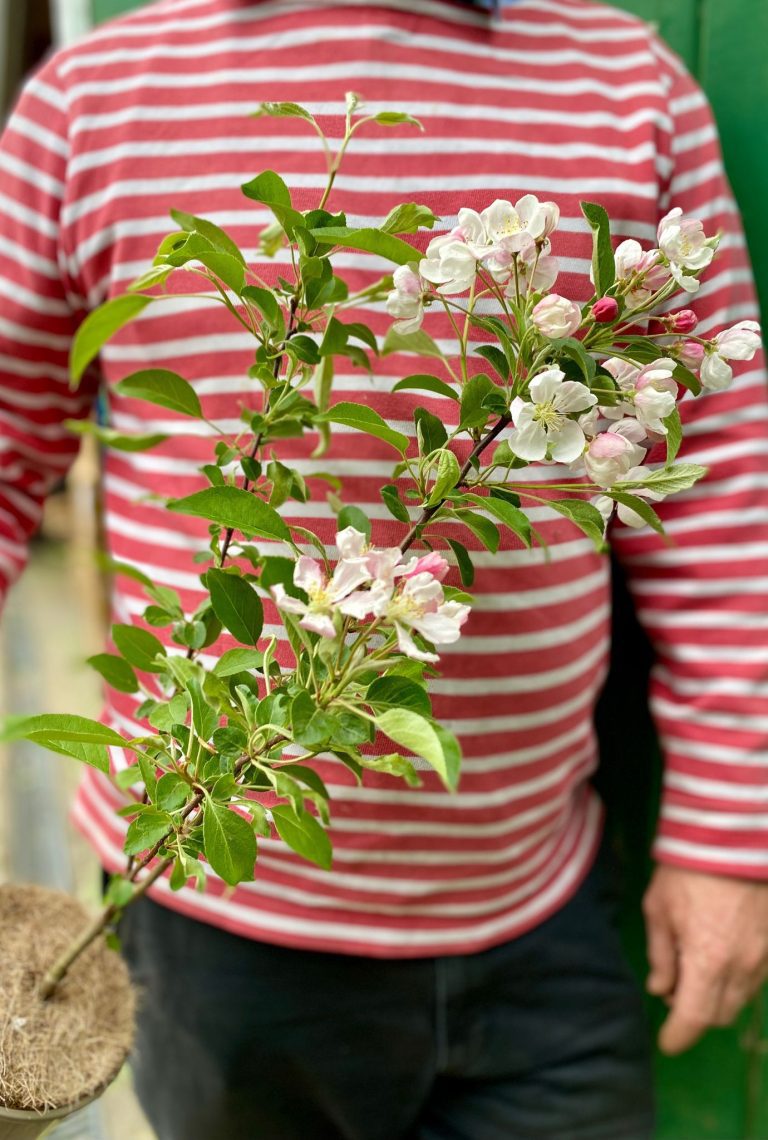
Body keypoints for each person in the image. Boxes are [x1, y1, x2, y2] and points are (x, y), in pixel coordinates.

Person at [1, 1, 767, 1137]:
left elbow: (716, 483)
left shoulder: (623, 81)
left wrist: (731, 832)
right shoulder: (91, 100)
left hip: (539, 905)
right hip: (211, 909)